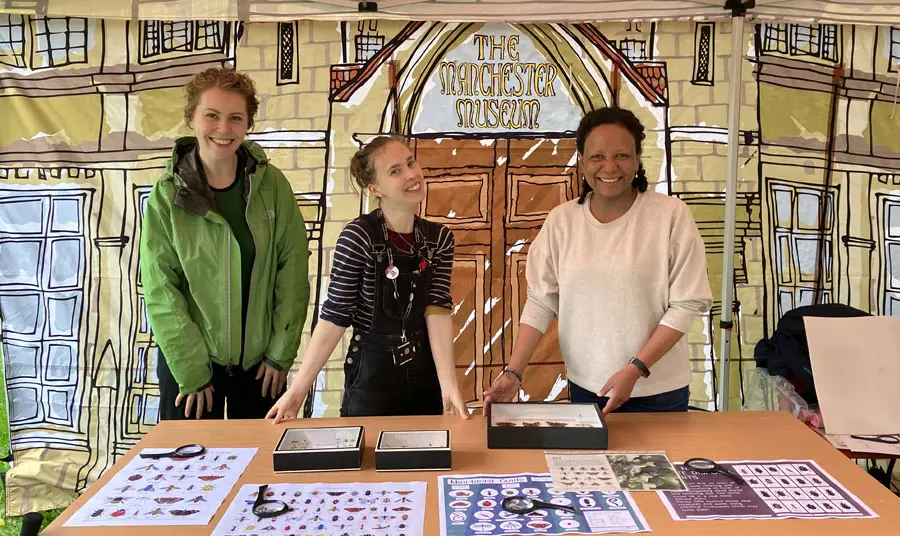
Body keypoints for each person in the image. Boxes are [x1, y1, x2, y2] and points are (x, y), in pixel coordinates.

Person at [484, 107, 713, 416]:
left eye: (621, 156)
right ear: (581, 161)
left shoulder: (670, 215)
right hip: (586, 389)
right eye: (596, 157)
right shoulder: (562, 221)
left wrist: (636, 369)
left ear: (637, 160)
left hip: (659, 393)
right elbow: (541, 300)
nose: (609, 167)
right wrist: (513, 372)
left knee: (658, 466)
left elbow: (686, 303)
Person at [140, 67, 310, 420]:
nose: (223, 129)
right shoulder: (167, 195)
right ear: (191, 119)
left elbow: (291, 274)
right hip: (192, 371)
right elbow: (161, 289)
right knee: (193, 469)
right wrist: (191, 371)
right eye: (212, 116)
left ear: (247, 124)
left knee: (265, 469)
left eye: (235, 118)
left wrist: (280, 353)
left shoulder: (273, 187)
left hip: (263, 367)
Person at [267, 136, 468, 422]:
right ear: (375, 188)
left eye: (411, 163)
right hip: (371, 376)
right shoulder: (358, 236)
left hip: (423, 374)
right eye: (395, 171)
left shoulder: (440, 239)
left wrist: (449, 386)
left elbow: (437, 310)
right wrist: (297, 392)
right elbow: (335, 315)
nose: (411, 174)